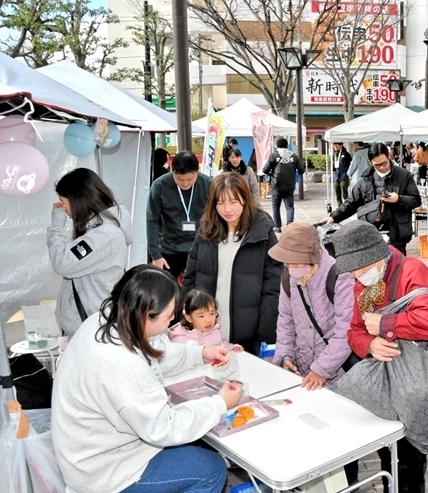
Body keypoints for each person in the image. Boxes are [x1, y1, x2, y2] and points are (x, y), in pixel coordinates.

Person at [52, 265, 242, 493]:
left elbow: (151, 350)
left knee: (191, 447)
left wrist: (199, 354)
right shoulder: (120, 362)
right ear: (145, 315)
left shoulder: (108, 318)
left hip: (89, 454)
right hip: (104, 471)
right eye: (169, 315)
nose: (173, 319)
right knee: (211, 470)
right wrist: (219, 403)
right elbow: (164, 427)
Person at [330, 220, 428, 493]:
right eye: (351, 269)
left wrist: (385, 324)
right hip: (383, 386)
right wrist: (370, 344)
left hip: (418, 383)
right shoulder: (362, 285)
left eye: (359, 268)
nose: (355, 275)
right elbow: (354, 331)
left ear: (375, 258)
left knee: (409, 457)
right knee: (387, 450)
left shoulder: (413, 271)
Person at [182, 172, 282, 355]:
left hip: (248, 334)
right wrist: (188, 317)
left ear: (245, 199)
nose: (227, 209)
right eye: (220, 203)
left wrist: (265, 331)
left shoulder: (262, 231)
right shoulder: (206, 231)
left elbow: (274, 286)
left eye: (233, 202)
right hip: (207, 330)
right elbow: (191, 276)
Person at [48, 168, 133, 338]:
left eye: (63, 201)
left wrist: (56, 226)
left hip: (92, 328)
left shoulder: (103, 235)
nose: (63, 208)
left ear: (78, 200)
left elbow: (63, 262)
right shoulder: (99, 228)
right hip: (91, 324)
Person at [268, 222, 355, 389]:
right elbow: (286, 320)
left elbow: (346, 331)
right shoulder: (289, 275)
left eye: (297, 265)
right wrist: (285, 356)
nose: (292, 269)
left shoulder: (339, 276)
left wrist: (321, 369)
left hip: (336, 374)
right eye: (288, 265)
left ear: (313, 258)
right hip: (302, 371)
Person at [323, 143, 421, 255]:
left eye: (384, 163)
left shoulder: (404, 175)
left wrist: (398, 199)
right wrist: (333, 217)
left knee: (397, 268)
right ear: (371, 163)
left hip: (397, 233)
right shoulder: (365, 180)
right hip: (371, 234)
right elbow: (351, 204)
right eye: (377, 165)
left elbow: (416, 200)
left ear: (388, 156)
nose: (382, 167)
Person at [147, 151, 213, 279]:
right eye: (179, 179)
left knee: (199, 293)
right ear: (172, 171)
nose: (185, 183)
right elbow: (152, 220)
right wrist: (155, 255)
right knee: (166, 292)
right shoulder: (160, 186)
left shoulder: (208, 185)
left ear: (197, 172)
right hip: (169, 249)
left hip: (201, 247)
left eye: (190, 179)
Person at [168, 288, 244, 352]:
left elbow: (221, 344)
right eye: (201, 316)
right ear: (189, 317)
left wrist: (232, 348)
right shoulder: (179, 339)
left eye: (212, 313)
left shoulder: (215, 331)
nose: (208, 320)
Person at [262, 138, 305, 233]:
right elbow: (302, 170)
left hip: (276, 185)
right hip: (290, 185)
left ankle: (277, 226)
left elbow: (264, 170)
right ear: (287, 145)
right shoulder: (294, 156)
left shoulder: (274, 155)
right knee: (289, 206)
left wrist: (271, 174)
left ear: (277, 145)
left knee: (276, 206)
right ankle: (290, 225)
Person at [332, 141, 352, 206]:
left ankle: (347, 205)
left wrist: (349, 173)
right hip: (336, 176)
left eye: (336, 145)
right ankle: (339, 206)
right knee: (336, 189)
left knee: (344, 189)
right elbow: (333, 164)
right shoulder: (334, 154)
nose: (335, 147)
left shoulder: (346, 154)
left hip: (344, 175)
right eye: (334, 145)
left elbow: (350, 164)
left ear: (341, 145)